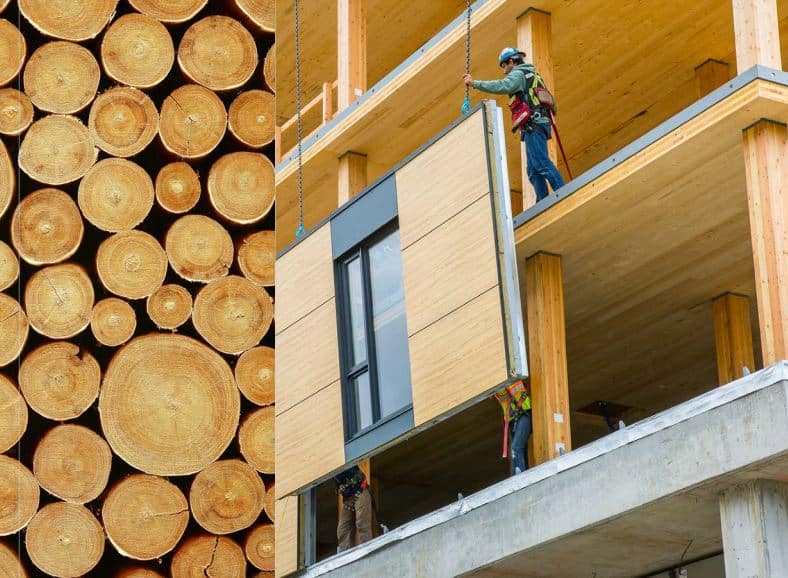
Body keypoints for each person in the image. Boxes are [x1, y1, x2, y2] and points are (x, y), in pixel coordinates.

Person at [463, 47, 564, 202]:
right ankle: (542, 202)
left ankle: (562, 193)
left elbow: (503, 86)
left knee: (541, 164)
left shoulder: (518, 74)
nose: (504, 71)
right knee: (532, 170)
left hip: (533, 125)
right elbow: (550, 102)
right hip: (538, 123)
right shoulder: (533, 75)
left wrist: (474, 83)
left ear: (511, 61)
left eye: (504, 65)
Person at [492, 380, 532, 475]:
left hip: (524, 414)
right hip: (513, 421)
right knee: (519, 450)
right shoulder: (495, 388)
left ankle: (519, 477)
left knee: (516, 447)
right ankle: (524, 475)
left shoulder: (512, 376)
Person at [334, 465, 373, 551]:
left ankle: (367, 551)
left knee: (362, 523)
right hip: (348, 499)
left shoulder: (338, 458)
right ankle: (346, 556)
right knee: (343, 530)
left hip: (361, 490)